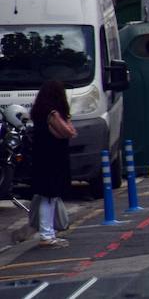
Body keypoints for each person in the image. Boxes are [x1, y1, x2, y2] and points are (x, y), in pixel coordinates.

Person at [30, 80, 76, 248]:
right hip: (53, 158)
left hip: (41, 157)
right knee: (49, 196)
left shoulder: (39, 112)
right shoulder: (53, 114)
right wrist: (67, 117)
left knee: (47, 196)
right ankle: (47, 233)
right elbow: (68, 131)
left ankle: (48, 232)